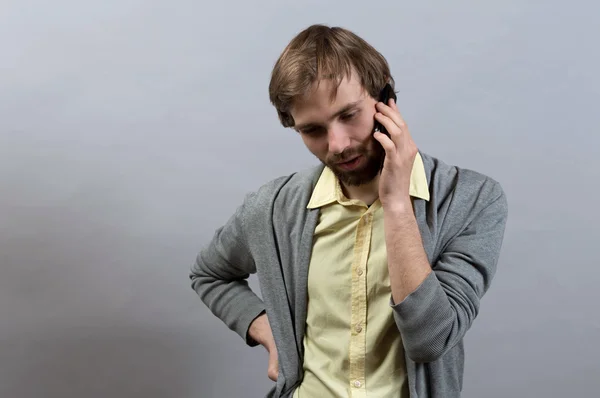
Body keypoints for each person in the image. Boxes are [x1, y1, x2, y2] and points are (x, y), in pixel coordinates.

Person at [190, 24, 508, 398]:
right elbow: (210, 274)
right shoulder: (273, 208)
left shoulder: (471, 200)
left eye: (349, 115)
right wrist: (273, 334)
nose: (337, 145)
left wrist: (396, 204)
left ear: (385, 98)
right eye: (313, 130)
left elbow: (430, 341)